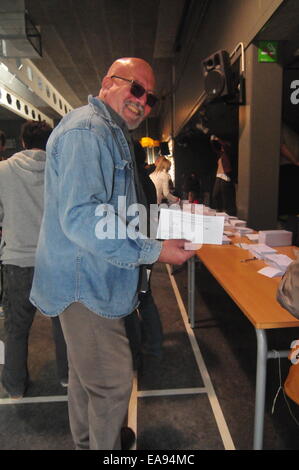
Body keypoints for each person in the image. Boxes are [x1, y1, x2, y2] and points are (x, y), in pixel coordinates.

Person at [30, 57, 194, 450]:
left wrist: (160, 227)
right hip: (85, 284)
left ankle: (90, 441)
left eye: (150, 97)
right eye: (136, 89)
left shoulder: (106, 130)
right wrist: (154, 251)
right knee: (111, 381)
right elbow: (83, 216)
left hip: (92, 278)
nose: (143, 102)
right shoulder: (88, 131)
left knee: (90, 380)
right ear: (108, 83)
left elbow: (113, 211)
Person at [0, 120, 68, 399]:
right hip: (54, 259)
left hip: (17, 260)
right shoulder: (60, 168)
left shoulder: (3, 171)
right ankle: (67, 378)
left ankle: (15, 387)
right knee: (63, 325)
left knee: (16, 328)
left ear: (23, 141)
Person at [210, 135, 236, 215]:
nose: (221, 147)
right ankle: (218, 209)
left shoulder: (227, 153)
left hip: (225, 176)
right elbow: (214, 149)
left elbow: (225, 145)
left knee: (225, 196)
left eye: (222, 146)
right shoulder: (221, 155)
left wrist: (218, 139)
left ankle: (226, 212)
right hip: (218, 176)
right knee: (215, 194)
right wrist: (211, 141)